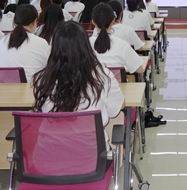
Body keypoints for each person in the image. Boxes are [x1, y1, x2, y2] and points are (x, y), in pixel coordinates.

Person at [32, 21, 124, 149]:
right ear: (86, 45)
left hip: (47, 154)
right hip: (91, 155)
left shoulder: (44, 78)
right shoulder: (102, 76)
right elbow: (115, 111)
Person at [0, 4, 51, 82]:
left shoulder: (3, 41)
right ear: (34, 22)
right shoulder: (41, 43)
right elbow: (49, 66)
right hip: (31, 87)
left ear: (14, 21)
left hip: (4, 87)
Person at [90, 3, 144, 74]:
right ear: (113, 20)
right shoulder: (122, 44)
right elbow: (140, 70)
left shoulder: (85, 44)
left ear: (93, 22)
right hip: (117, 81)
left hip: (92, 81)